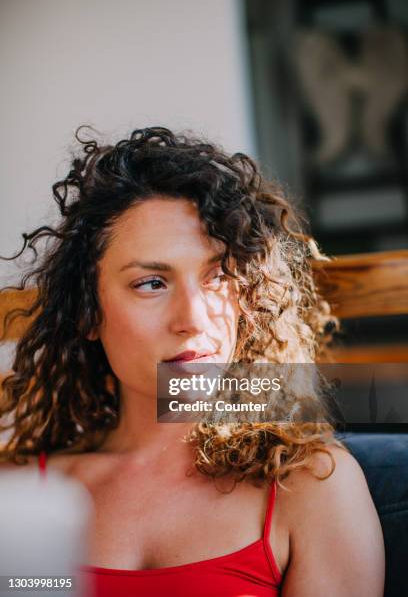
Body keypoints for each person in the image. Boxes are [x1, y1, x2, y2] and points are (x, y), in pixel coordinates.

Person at [0, 126, 385, 596]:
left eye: (218, 276)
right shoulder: (22, 493)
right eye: (151, 283)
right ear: (87, 313)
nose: (193, 317)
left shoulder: (311, 486)